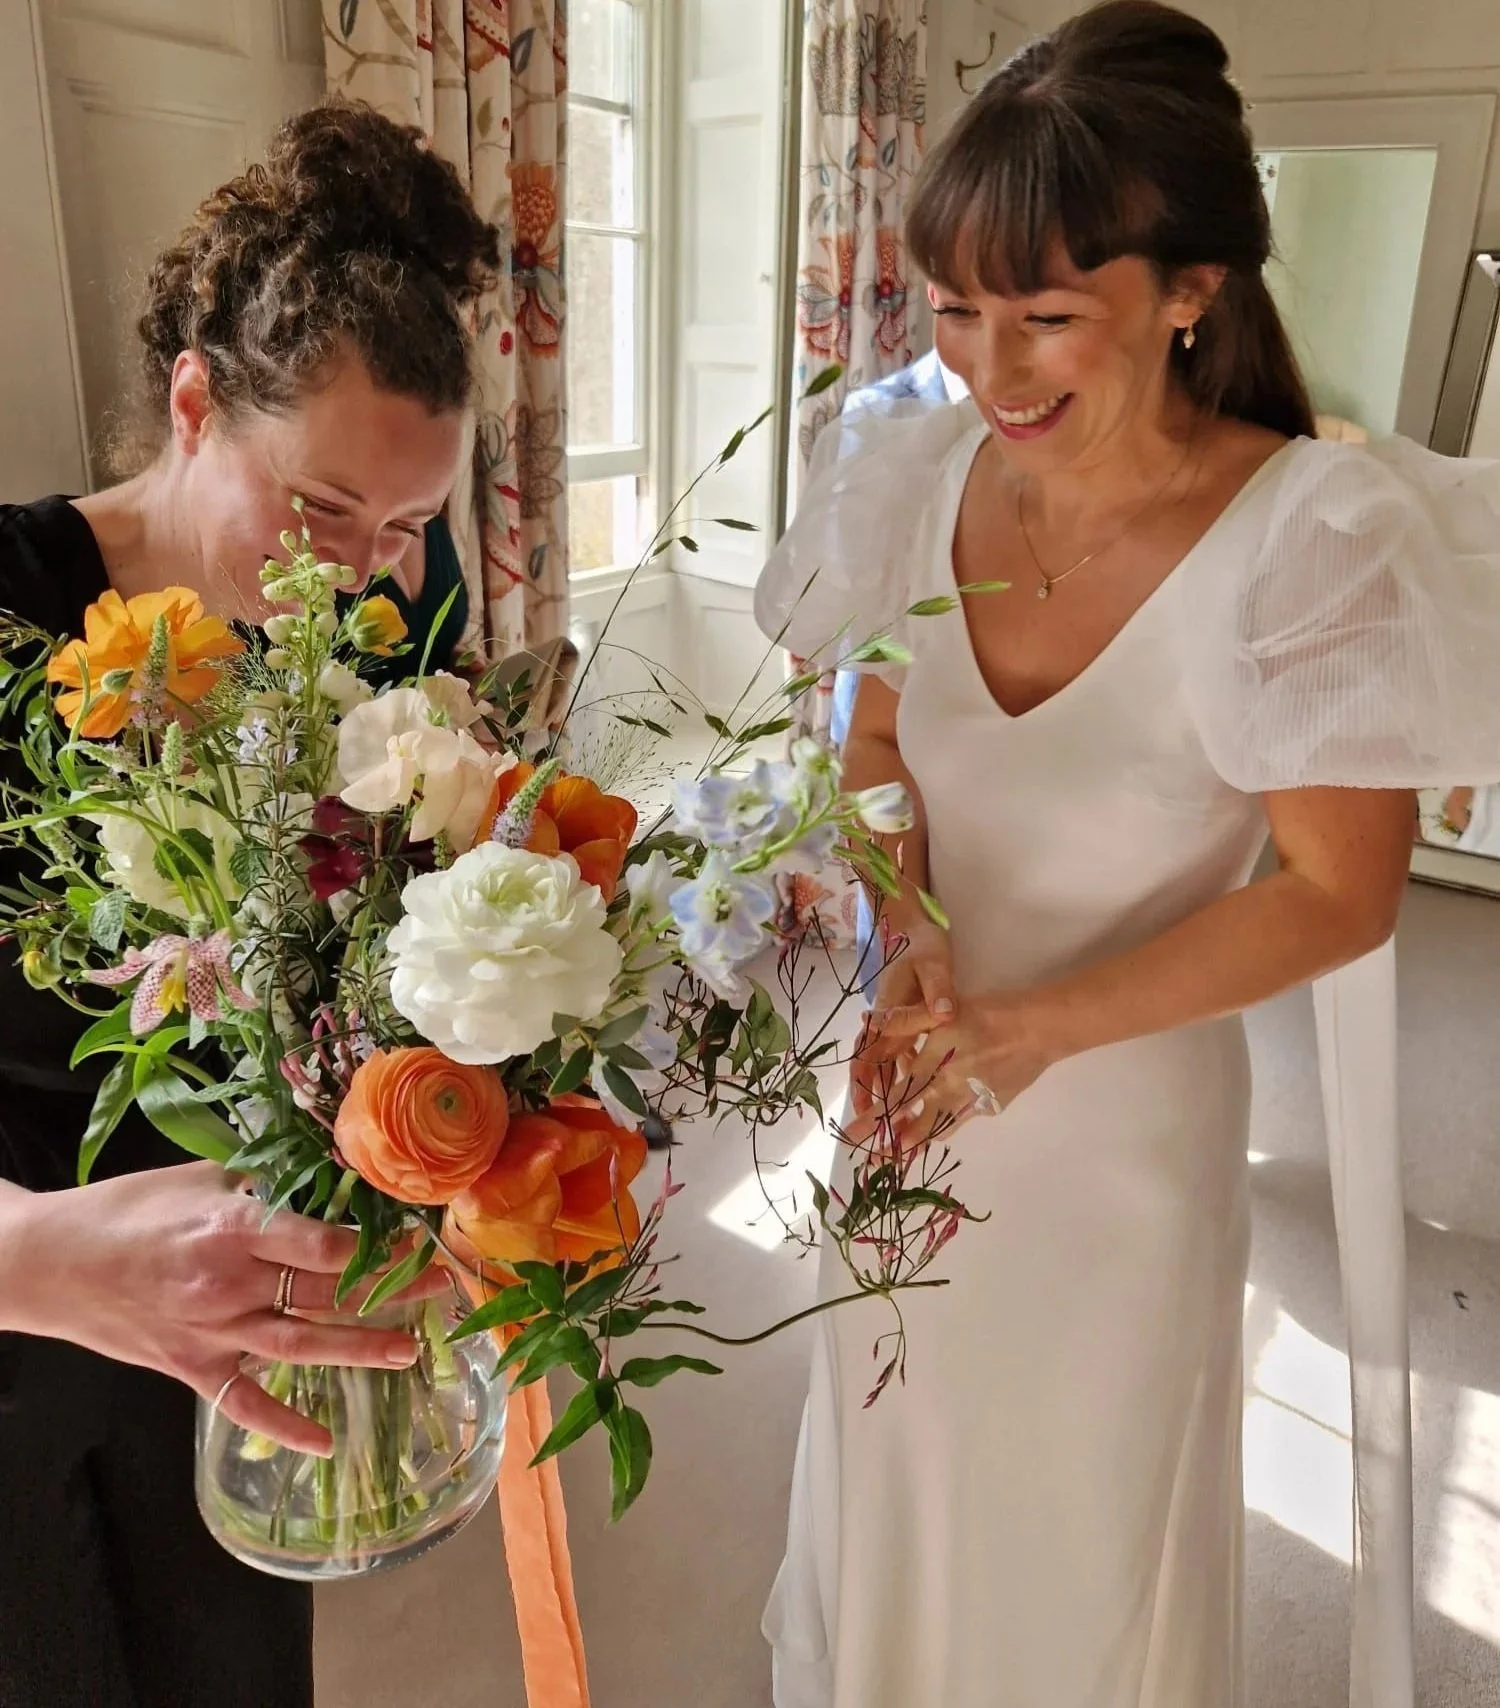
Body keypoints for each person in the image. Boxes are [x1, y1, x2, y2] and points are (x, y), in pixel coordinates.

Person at [754, 5, 1500, 1705]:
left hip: (1121, 1149)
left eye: (1043, 319)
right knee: (889, 1472)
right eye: (953, 312)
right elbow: (875, 747)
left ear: (1189, 293)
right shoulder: (911, 472)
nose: (988, 372)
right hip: (907, 1079)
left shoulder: (1301, 543)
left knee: (1072, 1543)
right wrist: (908, 919)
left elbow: (1342, 893)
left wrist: (1030, 1029)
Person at [0, 100, 499, 1708]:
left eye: (411, 527)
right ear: (196, 403)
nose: (365, 578)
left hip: (233, 1352)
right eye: (327, 511)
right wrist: (32, 1256)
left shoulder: (397, 637)